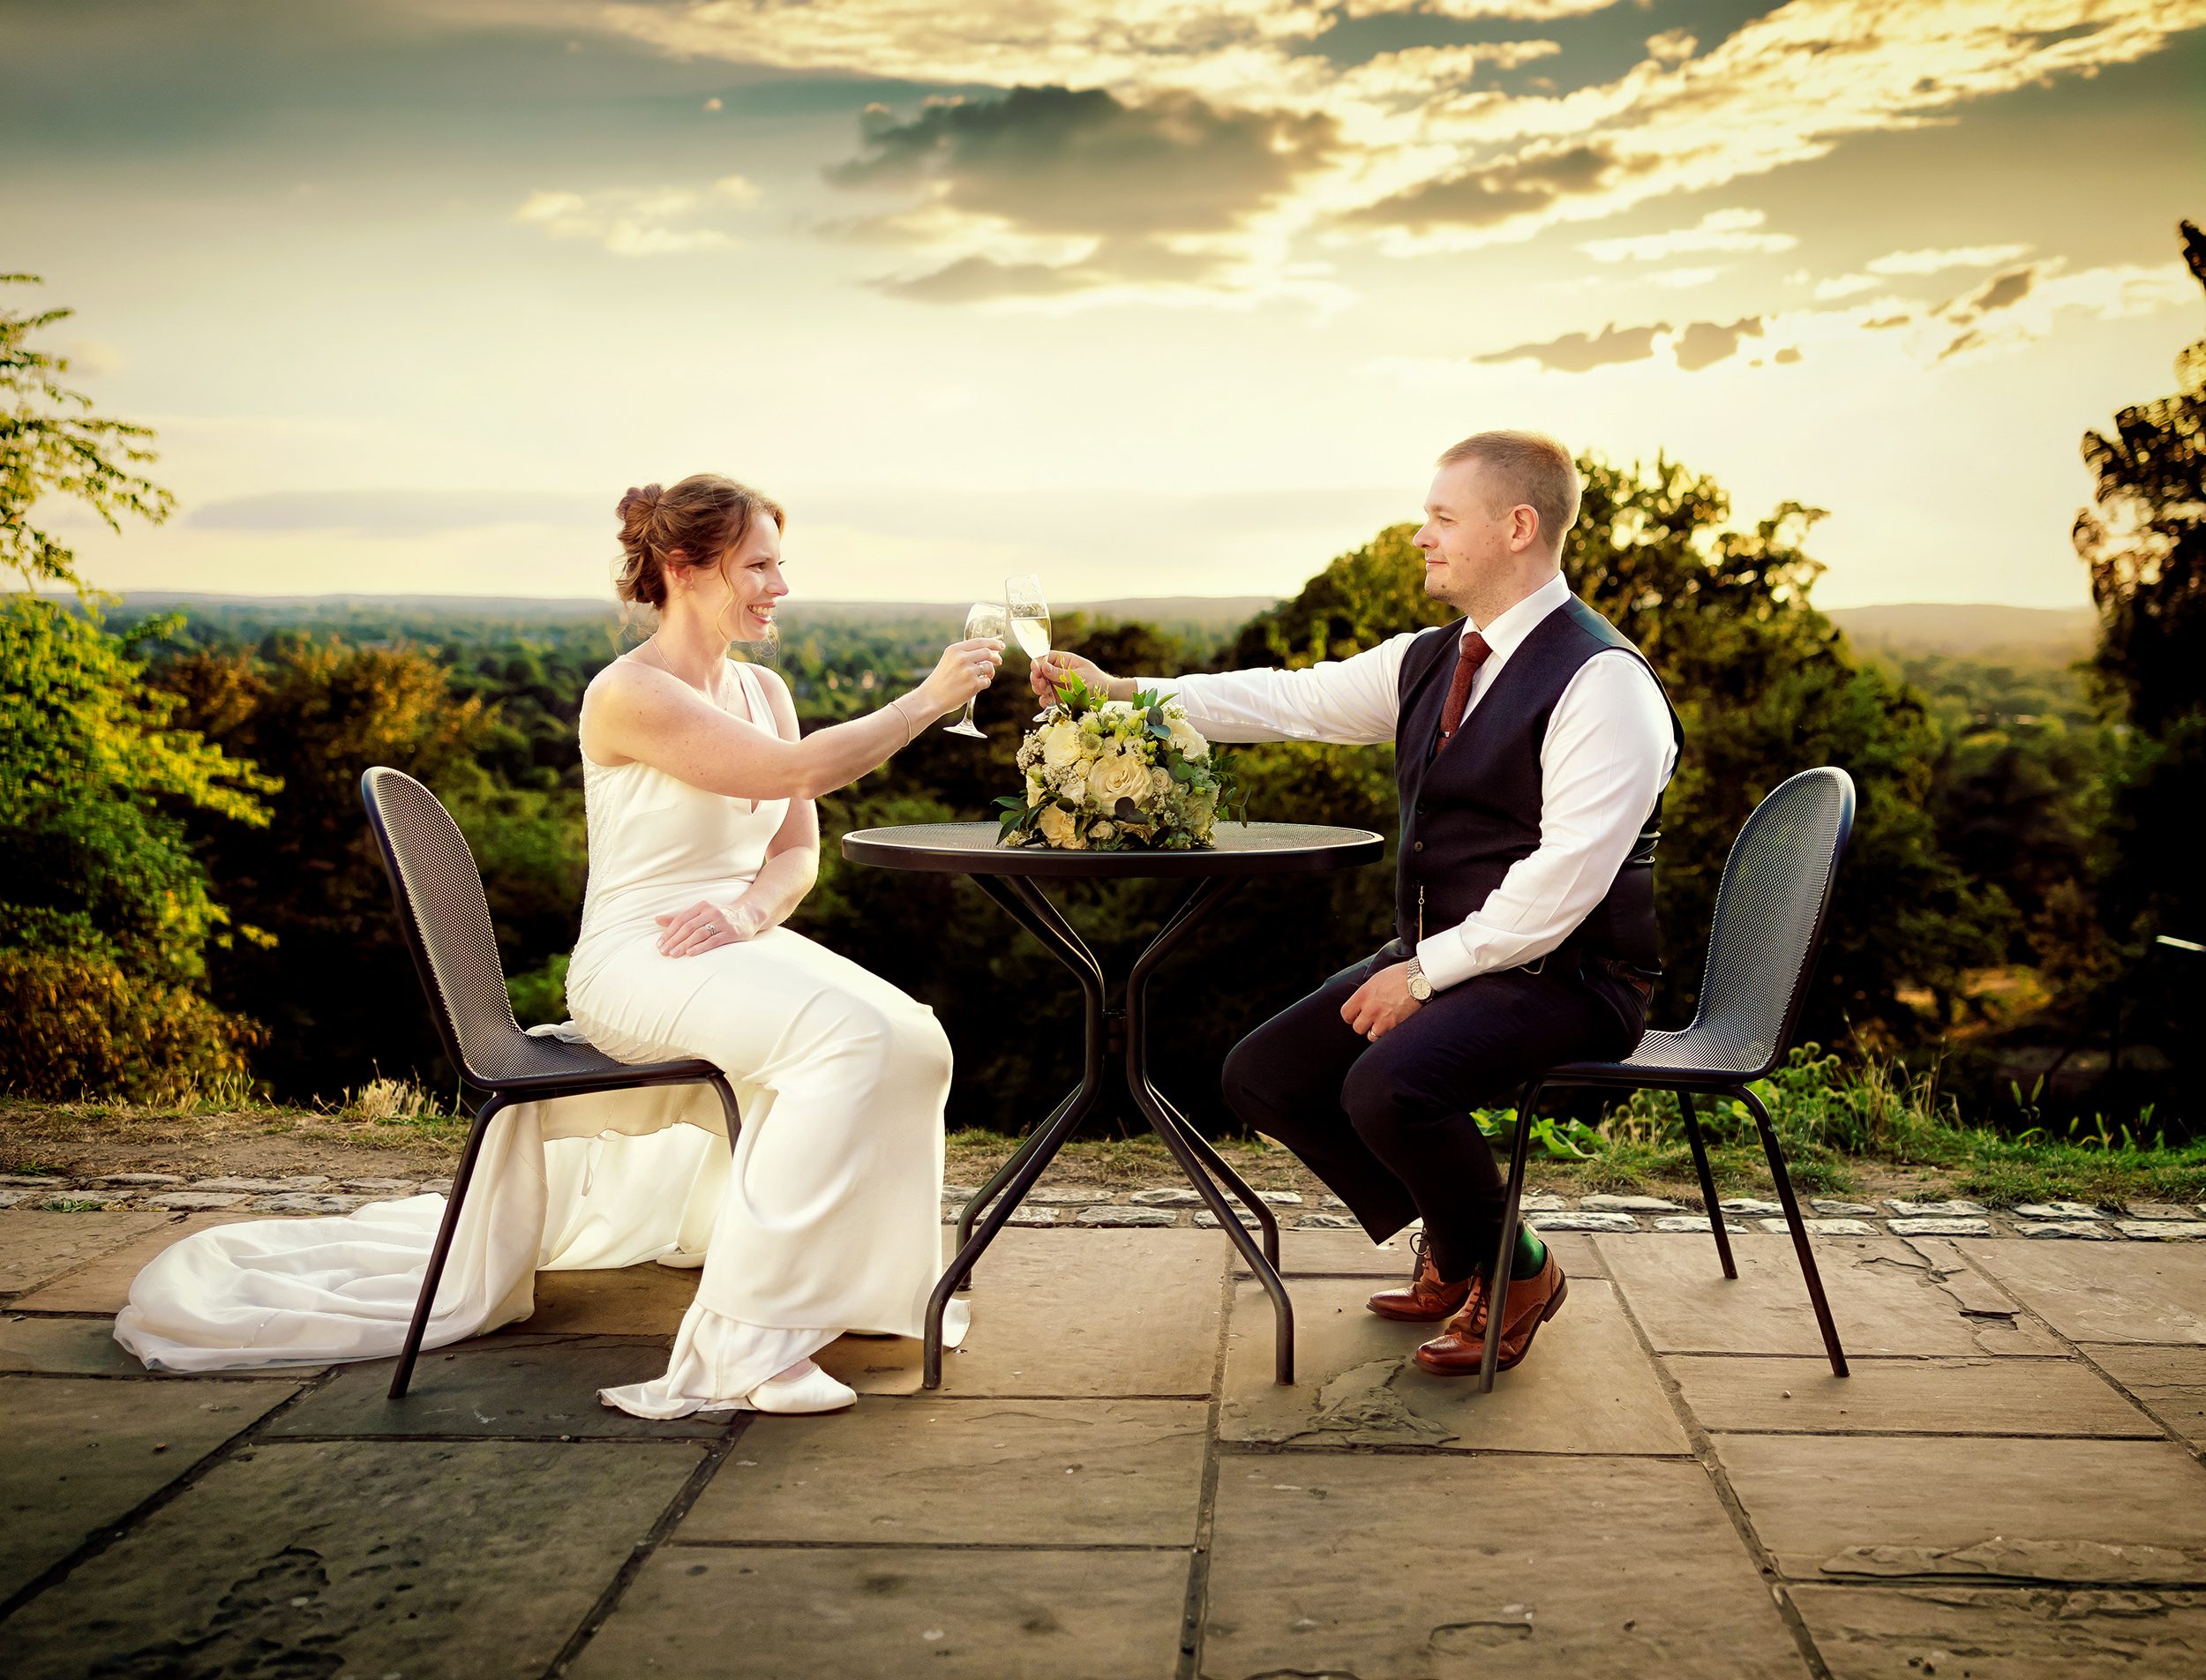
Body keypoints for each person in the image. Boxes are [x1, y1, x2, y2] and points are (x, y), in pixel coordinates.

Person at [115, 474, 1002, 1418]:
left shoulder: (763, 688)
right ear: (683, 567)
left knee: (914, 1035)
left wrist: (745, 916)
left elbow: (794, 850)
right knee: (853, 1040)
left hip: (731, 944)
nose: (779, 584)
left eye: (781, 563)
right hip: (636, 963)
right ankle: (746, 1345)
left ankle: (843, 1291)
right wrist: (925, 701)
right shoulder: (627, 694)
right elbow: (796, 770)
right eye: (760, 564)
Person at [1032, 431, 1680, 1379]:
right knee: (1265, 1074)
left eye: (1440, 517)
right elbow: (1289, 700)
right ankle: (1463, 1241)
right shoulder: (1431, 659)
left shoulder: (1602, 681)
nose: (1420, 535)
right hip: (1458, 960)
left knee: (1388, 1084)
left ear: (1518, 526)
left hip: (1574, 975)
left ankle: (1518, 1267)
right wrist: (1125, 693)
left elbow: (1564, 880)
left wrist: (1420, 974)